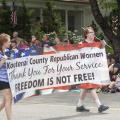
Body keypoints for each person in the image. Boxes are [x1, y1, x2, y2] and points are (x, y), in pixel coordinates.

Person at [76, 26, 109, 113]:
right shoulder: (81, 44)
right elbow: (76, 55)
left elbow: (101, 51)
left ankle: (79, 105)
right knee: (91, 87)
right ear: (86, 34)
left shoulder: (96, 43)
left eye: (93, 32)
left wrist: (103, 45)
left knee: (86, 87)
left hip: (93, 69)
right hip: (85, 69)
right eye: (91, 33)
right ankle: (99, 106)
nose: (93, 34)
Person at [0, 33, 12, 120]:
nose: (10, 43)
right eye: (9, 41)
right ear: (4, 42)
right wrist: (3, 60)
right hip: (2, 79)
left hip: (8, 79)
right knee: (8, 100)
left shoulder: (7, 52)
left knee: (5, 102)